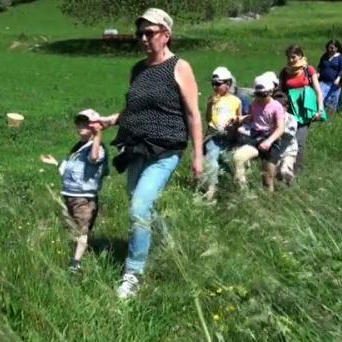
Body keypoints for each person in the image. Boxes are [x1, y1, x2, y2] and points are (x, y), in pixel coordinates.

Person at [96, 8, 203, 299]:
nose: (143, 38)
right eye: (140, 33)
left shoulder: (180, 67)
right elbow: (134, 109)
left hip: (166, 149)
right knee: (141, 205)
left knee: (139, 209)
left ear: (166, 35)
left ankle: (133, 274)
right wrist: (110, 120)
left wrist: (198, 155)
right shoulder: (138, 70)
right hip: (136, 147)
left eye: (150, 32)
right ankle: (166, 243)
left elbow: (193, 114)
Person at [40, 109, 109, 273]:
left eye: (86, 123)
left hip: (83, 198)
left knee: (82, 231)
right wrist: (56, 163)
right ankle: (87, 251)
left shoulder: (96, 148)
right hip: (71, 196)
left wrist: (98, 136)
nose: (80, 126)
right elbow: (71, 171)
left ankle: (75, 264)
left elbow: (94, 158)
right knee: (78, 229)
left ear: (94, 126)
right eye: (79, 122)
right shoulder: (78, 148)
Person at [233, 75, 285, 192]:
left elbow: (280, 128)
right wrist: (242, 119)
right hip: (256, 137)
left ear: (270, 92)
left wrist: (269, 141)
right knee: (238, 157)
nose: (260, 98)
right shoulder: (255, 103)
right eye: (257, 95)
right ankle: (244, 192)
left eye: (262, 95)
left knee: (267, 178)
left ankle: (269, 202)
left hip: (271, 140)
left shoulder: (277, 107)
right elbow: (253, 117)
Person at [278, 44, 324, 176]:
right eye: (289, 57)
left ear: (300, 56)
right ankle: (284, 168)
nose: (291, 60)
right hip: (289, 111)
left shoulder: (308, 70)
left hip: (304, 111)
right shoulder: (284, 72)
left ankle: (296, 171)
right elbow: (280, 92)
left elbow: (318, 91)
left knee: (299, 141)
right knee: (286, 139)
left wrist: (320, 109)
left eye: (294, 57)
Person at [202, 66, 242, 200]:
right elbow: (208, 119)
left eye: (218, 84)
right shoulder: (212, 99)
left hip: (228, 137)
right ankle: (210, 191)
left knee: (226, 162)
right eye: (213, 84)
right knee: (211, 162)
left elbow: (239, 119)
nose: (215, 87)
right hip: (214, 136)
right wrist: (209, 105)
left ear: (228, 83)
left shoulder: (236, 101)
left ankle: (227, 191)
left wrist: (235, 123)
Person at [272, 92, 298, 184]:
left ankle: (291, 185)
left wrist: (277, 130)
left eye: (280, 108)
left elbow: (290, 133)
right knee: (275, 174)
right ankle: (279, 191)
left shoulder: (291, 118)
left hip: (289, 151)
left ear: (286, 107)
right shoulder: (271, 118)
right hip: (276, 152)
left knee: (285, 171)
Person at [318, 40, 342, 113]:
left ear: (337, 48)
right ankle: (321, 114)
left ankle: (330, 116)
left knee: (332, 101)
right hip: (323, 82)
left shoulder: (340, 57)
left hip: (334, 83)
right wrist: (317, 75)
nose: (331, 49)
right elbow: (320, 67)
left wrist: (338, 78)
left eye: (332, 48)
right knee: (321, 98)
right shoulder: (324, 56)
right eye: (329, 48)